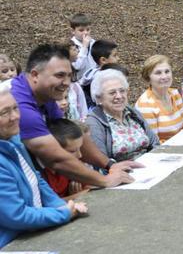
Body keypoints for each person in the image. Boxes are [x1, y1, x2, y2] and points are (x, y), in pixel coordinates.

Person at [10, 44, 136, 189]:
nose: (67, 83)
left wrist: (110, 165)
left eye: (70, 76)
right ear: (35, 75)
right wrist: (104, 180)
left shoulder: (45, 94)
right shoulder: (20, 105)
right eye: (60, 75)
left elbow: (73, 134)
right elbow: (55, 159)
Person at [0, 86, 87, 248]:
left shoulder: (13, 139)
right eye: (4, 113)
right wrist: (63, 214)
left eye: (15, 108)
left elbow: (35, 179)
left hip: (30, 230)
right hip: (9, 243)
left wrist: (61, 206)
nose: (15, 117)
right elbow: (15, 215)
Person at [86, 69, 160, 162]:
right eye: (112, 93)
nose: (119, 96)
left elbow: (154, 142)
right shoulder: (94, 122)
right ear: (99, 97)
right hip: (121, 173)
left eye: (122, 91)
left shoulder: (132, 113)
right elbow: (101, 161)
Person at [134, 55, 183, 143]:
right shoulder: (145, 104)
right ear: (148, 78)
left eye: (167, 71)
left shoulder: (175, 94)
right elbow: (153, 143)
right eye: (158, 73)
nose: (164, 76)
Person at [44, 119, 88, 197]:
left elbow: (90, 186)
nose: (79, 155)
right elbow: (48, 207)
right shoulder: (42, 174)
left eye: (80, 148)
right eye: (72, 151)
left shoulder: (72, 166)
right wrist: (75, 196)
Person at [69, 13, 95, 82]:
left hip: (94, 79)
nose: (85, 32)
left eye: (88, 29)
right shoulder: (71, 46)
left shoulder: (93, 42)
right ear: (73, 31)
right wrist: (84, 47)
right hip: (80, 82)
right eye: (81, 30)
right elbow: (77, 67)